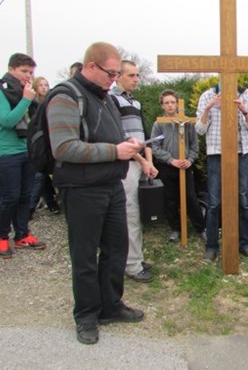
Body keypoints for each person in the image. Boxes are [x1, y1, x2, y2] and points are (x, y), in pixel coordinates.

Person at [47, 42, 145, 344]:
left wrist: (127, 145)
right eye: (111, 73)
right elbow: (63, 147)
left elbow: (110, 138)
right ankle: (87, 315)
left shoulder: (106, 99)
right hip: (81, 190)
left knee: (117, 250)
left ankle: (110, 306)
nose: (114, 80)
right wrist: (116, 150)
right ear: (91, 66)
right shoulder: (65, 96)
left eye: (117, 74)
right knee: (85, 256)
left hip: (111, 185)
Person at [0, 53, 46, 258]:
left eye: (31, 72)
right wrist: (25, 100)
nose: (28, 76)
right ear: (11, 69)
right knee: (10, 197)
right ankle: (0, 236)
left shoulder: (25, 92)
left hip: (25, 149)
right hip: (6, 152)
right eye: (24, 71)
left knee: (25, 195)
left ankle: (22, 234)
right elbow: (7, 121)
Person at [196, 81, 248, 262]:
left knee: (243, 199)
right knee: (214, 202)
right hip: (217, 153)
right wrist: (209, 108)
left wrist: (244, 110)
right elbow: (199, 130)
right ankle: (212, 247)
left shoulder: (246, 95)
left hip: (240, 153)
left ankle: (244, 244)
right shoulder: (207, 95)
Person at [110, 60, 158, 284]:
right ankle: (132, 265)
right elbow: (118, 136)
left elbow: (144, 134)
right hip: (126, 164)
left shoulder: (135, 102)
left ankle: (135, 258)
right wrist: (140, 159)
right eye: (131, 75)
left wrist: (149, 162)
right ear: (118, 76)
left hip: (140, 163)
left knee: (137, 213)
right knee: (129, 214)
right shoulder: (111, 100)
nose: (136, 79)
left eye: (137, 75)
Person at [151, 89, 205, 242]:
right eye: (166, 103)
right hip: (168, 167)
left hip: (185, 166)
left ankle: (200, 227)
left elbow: (194, 146)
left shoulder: (187, 123)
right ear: (162, 105)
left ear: (177, 104)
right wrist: (171, 160)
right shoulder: (159, 124)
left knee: (190, 197)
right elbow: (155, 147)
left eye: (172, 102)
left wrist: (190, 160)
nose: (170, 106)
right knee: (171, 198)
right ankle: (175, 229)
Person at [29, 77, 60, 217]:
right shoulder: (32, 104)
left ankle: (52, 202)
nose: (44, 87)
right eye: (40, 85)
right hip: (40, 142)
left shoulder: (52, 102)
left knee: (46, 175)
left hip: (51, 141)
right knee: (41, 175)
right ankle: (30, 206)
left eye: (46, 85)